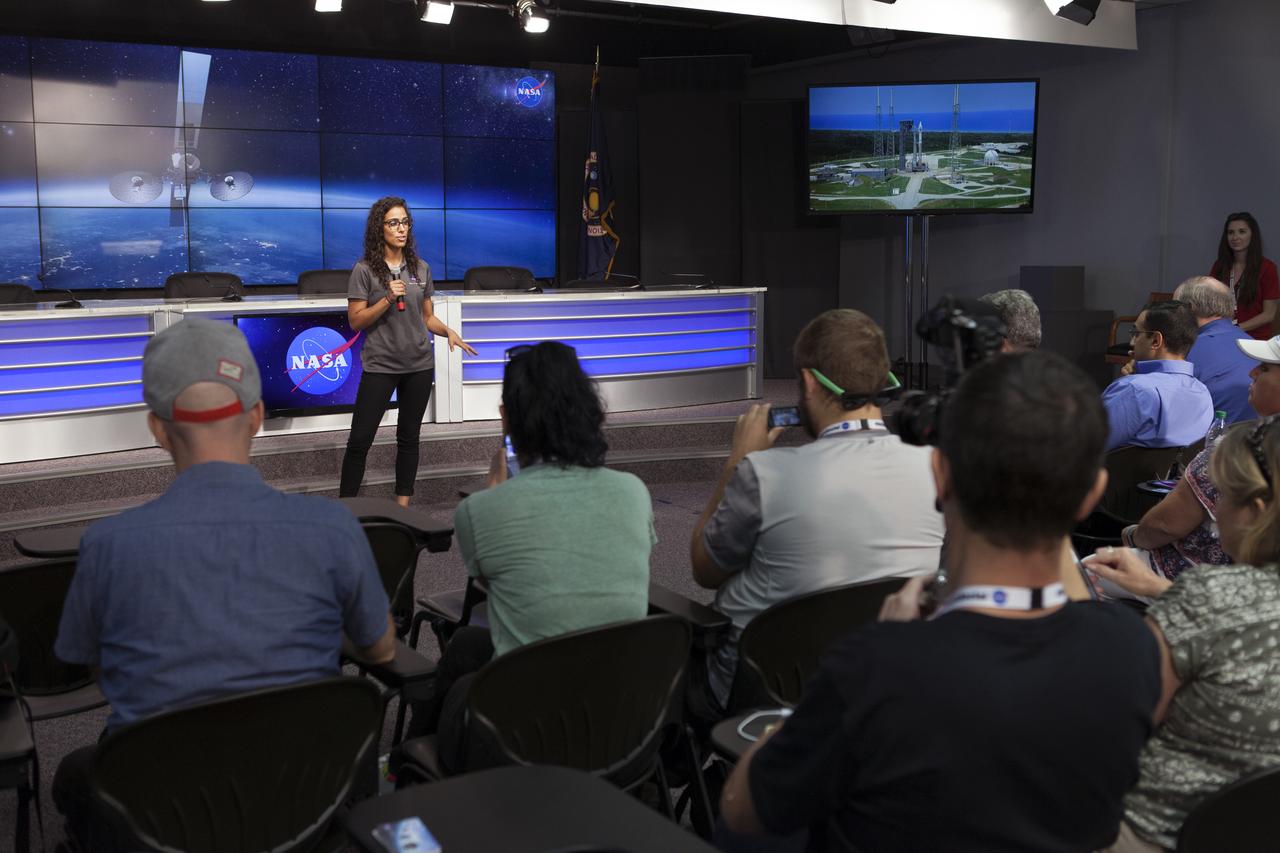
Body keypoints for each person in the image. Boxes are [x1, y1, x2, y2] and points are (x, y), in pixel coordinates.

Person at [718, 350, 1161, 853]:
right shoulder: (1137, 646)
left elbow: (742, 810)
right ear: (1091, 496)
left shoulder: (875, 666)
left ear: (940, 475)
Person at [52, 318, 395, 848]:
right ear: (257, 416)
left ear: (158, 429)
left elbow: (93, 668)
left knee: (74, 775)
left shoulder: (107, 546)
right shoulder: (333, 528)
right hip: (300, 800)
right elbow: (381, 648)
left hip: (164, 813)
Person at [405, 341, 653, 770]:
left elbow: (485, 581)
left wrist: (496, 486)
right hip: (622, 725)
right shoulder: (634, 492)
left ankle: (409, 770)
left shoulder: (480, 511)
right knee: (466, 644)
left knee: (463, 684)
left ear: (508, 417)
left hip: (525, 738)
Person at [689, 309, 943, 718]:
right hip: (882, 685)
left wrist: (736, 461)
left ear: (808, 382)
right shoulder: (936, 468)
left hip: (766, 693)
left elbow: (705, 569)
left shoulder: (763, 473)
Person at [1089, 417, 1280, 853]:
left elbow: (1121, 731)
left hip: (1160, 830)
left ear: (1255, 513)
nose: (1215, 518)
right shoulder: (1211, 601)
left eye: (1224, 498)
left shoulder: (1210, 597)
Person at [1088, 330, 1280, 601]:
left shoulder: (1235, 451)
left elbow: (1164, 526)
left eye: (1264, 368)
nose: (1252, 374)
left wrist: (1131, 537)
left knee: (1082, 574)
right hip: (1247, 592)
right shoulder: (1200, 392)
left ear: (1155, 340)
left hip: (1197, 579)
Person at [340, 195, 476, 507]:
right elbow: (356, 321)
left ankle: (402, 508)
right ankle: (345, 508)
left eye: (405, 222)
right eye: (393, 223)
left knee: (408, 438)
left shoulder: (421, 268)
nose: (401, 229)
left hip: (418, 365)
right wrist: (386, 298)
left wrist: (448, 331)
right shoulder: (364, 271)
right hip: (380, 365)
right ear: (380, 228)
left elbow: (427, 317)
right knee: (360, 440)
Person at [1102, 299, 1213, 451]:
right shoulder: (1203, 393)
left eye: (1136, 333)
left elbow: (1083, 445)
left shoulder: (1133, 390)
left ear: (1155, 340)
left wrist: (1127, 383)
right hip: (1176, 474)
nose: (1132, 342)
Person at [1174, 275, 1256, 423]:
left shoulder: (1183, 350)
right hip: (1262, 438)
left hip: (1211, 441)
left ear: (1189, 308)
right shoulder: (1255, 344)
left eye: (1176, 308)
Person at [1209, 212, 1280, 340]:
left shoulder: (1268, 268)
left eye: (1242, 231)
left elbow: (1269, 314)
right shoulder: (1219, 266)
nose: (1235, 237)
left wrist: (1235, 329)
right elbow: (1209, 302)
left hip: (1253, 339)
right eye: (1230, 232)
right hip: (1223, 334)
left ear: (1252, 235)